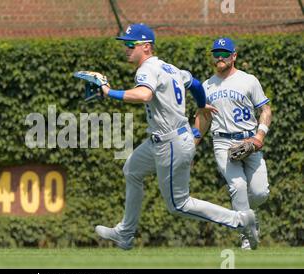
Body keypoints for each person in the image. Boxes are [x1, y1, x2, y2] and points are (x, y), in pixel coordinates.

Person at [94, 23, 260, 250]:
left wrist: (108, 91)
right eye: (125, 44)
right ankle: (125, 233)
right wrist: (202, 105)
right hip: (164, 140)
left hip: (169, 142)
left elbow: (144, 95)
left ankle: (241, 219)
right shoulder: (169, 68)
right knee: (131, 170)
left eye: (131, 44)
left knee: (179, 204)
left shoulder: (146, 70)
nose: (126, 48)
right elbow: (195, 84)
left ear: (146, 47)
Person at [194, 37, 272, 250]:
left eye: (224, 54)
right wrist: (191, 147)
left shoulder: (249, 80)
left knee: (260, 193)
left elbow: (265, 110)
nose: (220, 58)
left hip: (250, 140)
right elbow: (202, 118)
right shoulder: (206, 86)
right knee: (237, 186)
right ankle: (246, 235)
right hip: (222, 142)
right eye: (216, 54)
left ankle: (246, 215)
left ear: (234, 56)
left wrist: (259, 136)